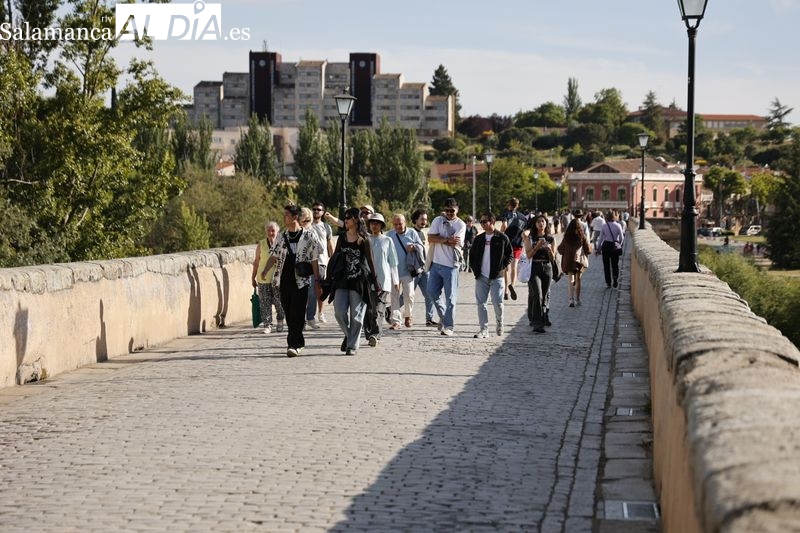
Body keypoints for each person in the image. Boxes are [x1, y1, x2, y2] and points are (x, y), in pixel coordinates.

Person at [260, 204, 323, 357]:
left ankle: (293, 344)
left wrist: (317, 281)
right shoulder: (282, 237)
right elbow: (274, 256)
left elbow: (315, 259)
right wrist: (265, 270)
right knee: (288, 311)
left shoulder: (309, 236)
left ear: (295, 217)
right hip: (285, 279)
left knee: (298, 312)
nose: (284, 218)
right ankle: (298, 342)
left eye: (287, 215)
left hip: (302, 280)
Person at [329, 207, 379, 355]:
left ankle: (352, 346)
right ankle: (350, 335)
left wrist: (375, 282)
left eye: (348, 217)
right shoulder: (342, 237)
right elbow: (335, 257)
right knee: (339, 312)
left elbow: (371, 261)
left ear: (356, 220)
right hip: (342, 280)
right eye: (345, 218)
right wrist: (328, 276)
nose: (345, 220)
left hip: (359, 281)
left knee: (356, 316)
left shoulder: (364, 239)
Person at [469, 212, 513, 338]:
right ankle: (484, 330)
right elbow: (472, 256)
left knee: (497, 303)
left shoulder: (502, 238)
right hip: (481, 276)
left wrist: (502, 266)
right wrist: (475, 269)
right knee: (481, 303)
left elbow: (510, 255)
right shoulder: (478, 239)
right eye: (481, 221)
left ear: (492, 222)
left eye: (484, 221)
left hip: (497, 277)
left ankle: (500, 322)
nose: (482, 224)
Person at [427, 198, 466, 336]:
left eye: (452, 210)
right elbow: (430, 238)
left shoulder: (461, 225)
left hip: (451, 266)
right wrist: (446, 240)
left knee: (451, 298)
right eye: (447, 210)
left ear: (457, 209)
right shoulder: (438, 220)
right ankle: (444, 317)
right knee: (431, 292)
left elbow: (455, 243)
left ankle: (449, 326)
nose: (449, 213)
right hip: (436, 264)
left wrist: (441, 238)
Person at [362, 213, 399, 346]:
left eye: (377, 223)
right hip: (367, 280)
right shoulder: (365, 240)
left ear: (382, 225)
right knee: (368, 310)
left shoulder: (387, 241)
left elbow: (393, 262)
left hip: (383, 281)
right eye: (372, 223)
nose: (374, 225)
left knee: (378, 309)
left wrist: (395, 281)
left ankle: (375, 335)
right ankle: (369, 333)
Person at [386, 213, 424, 329]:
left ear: (405, 222)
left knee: (409, 295)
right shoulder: (390, 235)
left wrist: (414, 247)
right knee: (394, 296)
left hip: (408, 270)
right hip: (394, 272)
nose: (398, 226)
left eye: (400, 224)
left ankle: (408, 315)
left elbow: (421, 246)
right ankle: (396, 321)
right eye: (395, 224)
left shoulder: (412, 232)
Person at [523, 214, 556, 334]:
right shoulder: (530, 238)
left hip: (547, 268)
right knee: (537, 294)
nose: (541, 223)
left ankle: (542, 318)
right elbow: (528, 255)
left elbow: (553, 259)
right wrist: (536, 247)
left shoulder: (551, 238)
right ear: (535, 224)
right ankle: (537, 324)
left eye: (543, 221)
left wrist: (549, 250)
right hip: (534, 267)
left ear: (546, 224)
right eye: (538, 222)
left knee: (545, 295)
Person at [251, 221, 285, 334]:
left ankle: (280, 320)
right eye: (269, 231)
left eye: (273, 230)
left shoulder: (282, 243)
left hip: (278, 278)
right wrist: (253, 277)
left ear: (277, 232)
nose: (271, 233)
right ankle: (267, 324)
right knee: (264, 301)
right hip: (263, 278)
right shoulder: (261, 244)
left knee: (278, 301)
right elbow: (256, 261)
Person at [305, 202, 334, 329]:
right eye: (314, 209)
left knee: (320, 290)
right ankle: (309, 318)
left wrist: (333, 260)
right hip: (309, 262)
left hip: (322, 261)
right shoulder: (307, 225)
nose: (316, 211)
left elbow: (329, 244)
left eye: (319, 209)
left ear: (323, 212)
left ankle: (320, 313)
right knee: (310, 290)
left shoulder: (326, 227)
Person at [410, 208, 440, 328]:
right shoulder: (411, 232)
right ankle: (390, 310)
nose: (424, 222)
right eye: (422, 219)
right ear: (415, 219)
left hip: (424, 269)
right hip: (414, 270)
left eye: (426, 219)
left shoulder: (422, 233)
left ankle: (429, 318)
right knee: (408, 295)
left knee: (429, 294)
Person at [557, 218, 592, 307]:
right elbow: (588, 249)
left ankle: (571, 299)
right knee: (578, 280)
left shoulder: (566, 237)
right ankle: (578, 299)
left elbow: (560, 250)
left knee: (570, 280)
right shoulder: (582, 236)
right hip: (579, 261)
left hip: (569, 261)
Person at [500, 197, 528, 301]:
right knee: (514, 267)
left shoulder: (506, 214)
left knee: (506, 268)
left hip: (507, 244)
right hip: (518, 244)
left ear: (509, 205)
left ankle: (506, 291)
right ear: (518, 205)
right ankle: (513, 285)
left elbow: (504, 226)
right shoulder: (523, 217)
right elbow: (525, 232)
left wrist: (500, 232)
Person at [596, 211, 625, 288]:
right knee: (615, 264)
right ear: (614, 217)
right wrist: (619, 244)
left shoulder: (604, 226)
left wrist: (598, 248)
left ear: (606, 217)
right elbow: (622, 238)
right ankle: (615, 278)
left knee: (606, 265)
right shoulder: (618, 225)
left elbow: (600, 238)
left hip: (606, 245)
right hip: (614, 245)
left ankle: (608, 282)